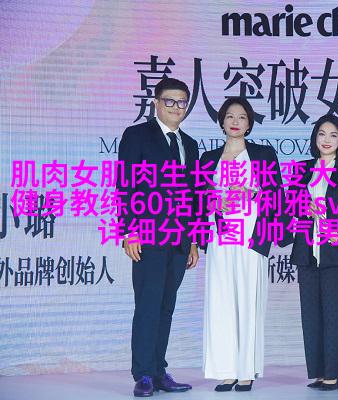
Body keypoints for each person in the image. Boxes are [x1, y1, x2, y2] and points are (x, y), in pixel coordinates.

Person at [199, 97, 292, 392]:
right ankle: (226, 370)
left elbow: (276, 194)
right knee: (221, 301)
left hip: (252, 236)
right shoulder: (208, 159)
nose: (235, 121)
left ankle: (246, 370)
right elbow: (197, 199)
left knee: (249, 302)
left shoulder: (263, 154)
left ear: (250, 123)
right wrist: (215, 201)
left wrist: (252, 193)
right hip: (220, 236)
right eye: (230, 116)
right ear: (221, 121)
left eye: (242, 117)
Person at [117, 77, 199, 397]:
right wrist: (129, 231)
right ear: (156, 103)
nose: (176, 107)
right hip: (148, 236)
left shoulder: (189, 144)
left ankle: (159, 370)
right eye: (170, 101)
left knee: (166, 306)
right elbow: (126, 184)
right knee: (148, 305)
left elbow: (194, 196)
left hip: (180, 239)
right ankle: (143, 374)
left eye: (182, 102)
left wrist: (194, 240)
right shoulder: (137, 135)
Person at [290, 114, 338, 391]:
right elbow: (289, 205)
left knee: (335, 313)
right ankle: (318, 372)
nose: (326, 140)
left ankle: (333, 373)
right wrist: (303, 209)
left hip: (336, 250)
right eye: (321, 134)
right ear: (314, 138)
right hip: (307, 251)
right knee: (311, 315)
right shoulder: (302, 169)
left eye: (333, 135)